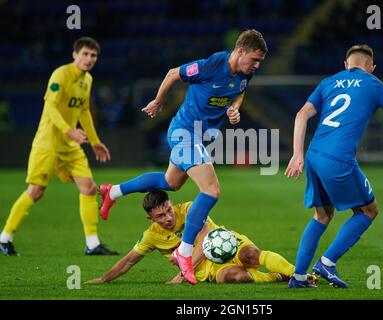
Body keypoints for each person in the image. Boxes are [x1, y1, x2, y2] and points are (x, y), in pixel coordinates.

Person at [98, 29, 267, 284]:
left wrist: (234, 108)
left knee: (171, 183)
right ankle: (185, 253)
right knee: (211, 191)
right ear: (240, 51)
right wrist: (158, 101)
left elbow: (240, 91)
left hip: (199, 136)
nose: (256, 66)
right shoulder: (212, 65)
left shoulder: (246, 73)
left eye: (259, 62)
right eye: (254, 59)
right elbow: (173, 73)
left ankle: (112, 192)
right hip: (185, 132)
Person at [285, 44, 383, 288]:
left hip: (313, 155)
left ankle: (299, 277)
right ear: (371, 68)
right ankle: (327, 262)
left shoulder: (328, 82)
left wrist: (297, 154)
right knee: (368, 210)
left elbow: (301, 114)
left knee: (322, 215)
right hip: (338, 159)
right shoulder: (375, 85)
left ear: (346, 65)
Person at [0, 37, 118, 256]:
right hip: (48, 144)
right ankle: (5, 237)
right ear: (75, 55)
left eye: (93, 55)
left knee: (89, 187)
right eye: (85, 54)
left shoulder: (88, 80)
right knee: (36, 192)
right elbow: (51, 107)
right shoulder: (61, 74)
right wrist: (68, 130)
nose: (89, 59)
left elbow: (83, 111)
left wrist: (95, 142)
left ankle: (92, 244)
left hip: (70, 146)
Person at [86, 191, 318, 285]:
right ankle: (276, 276)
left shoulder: (188, 209)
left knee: (251, 255)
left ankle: (298, 274)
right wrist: (103, 279)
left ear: (171, 203)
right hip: (209, 270)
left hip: (226, 244)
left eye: (168, 210)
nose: (168, 217)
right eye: (161, 216)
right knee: (233, 277)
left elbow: (205, 237)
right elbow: (129, 260)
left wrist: (182, 273)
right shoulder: (151, 237)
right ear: (151, 218)